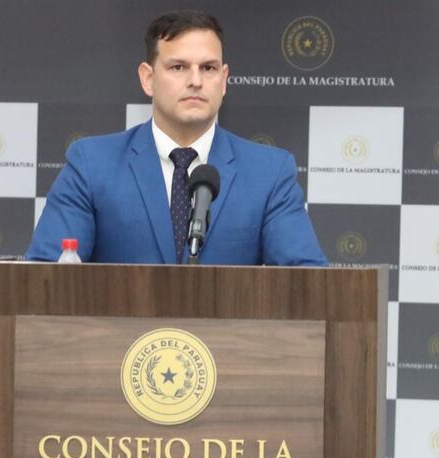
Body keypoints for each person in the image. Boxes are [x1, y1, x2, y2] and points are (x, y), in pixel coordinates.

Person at [26, 10, 327, 266]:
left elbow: (308, 284)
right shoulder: (92, 164)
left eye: (208, 68)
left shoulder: (269, 172)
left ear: (223, 81)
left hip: (230, 337)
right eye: (178, 67)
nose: (195, 81)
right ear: (148, 78)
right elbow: (44, 278)